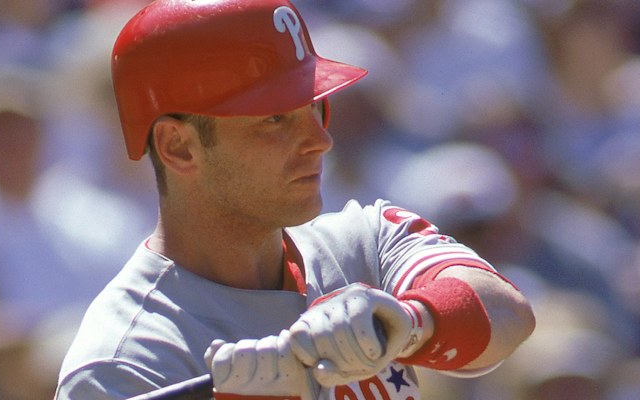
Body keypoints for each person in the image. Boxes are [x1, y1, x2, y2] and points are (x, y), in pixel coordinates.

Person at [54, 0, 536, 399]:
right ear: (178, 146)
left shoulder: (365, 241)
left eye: (314, 107)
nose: (320, 141)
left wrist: (411, 322)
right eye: (275, 119)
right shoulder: (125, 362)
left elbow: (509, 314)